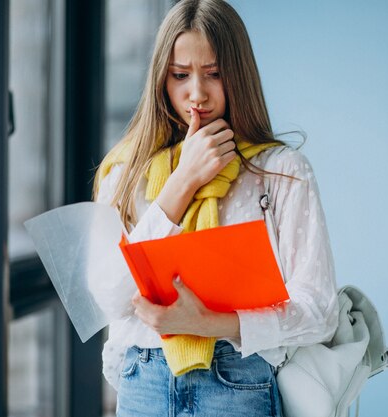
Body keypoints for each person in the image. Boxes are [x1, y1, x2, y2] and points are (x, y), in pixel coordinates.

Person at [91, 0, 339, 415]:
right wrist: (182, 182)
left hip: (237, 379)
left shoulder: (279, 171)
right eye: (180, 75)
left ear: (238, 76)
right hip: (144, 381)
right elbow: (109, 299)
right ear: (160, 78)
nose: (196, 94)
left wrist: (210, 325)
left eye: (214, 74)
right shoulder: (125, 170)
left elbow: (318, 311)